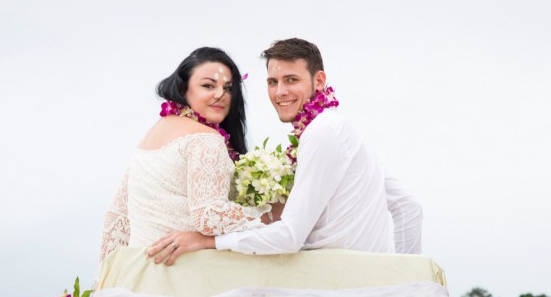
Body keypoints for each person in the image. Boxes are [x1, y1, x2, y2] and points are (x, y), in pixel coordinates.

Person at [147, 37, 422, 264]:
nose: (280, 92)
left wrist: (207, 241)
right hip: (352, 280)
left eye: (291, 80)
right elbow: (409, 207)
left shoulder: (323, 134)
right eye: (272, 82)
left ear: (319, 81)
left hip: (335, 286)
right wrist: (403, 280)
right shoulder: (337, 129)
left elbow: (290, 237)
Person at [99, 46, 271, 264]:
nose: (220, 95)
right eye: (208, 85)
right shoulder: (205, 139)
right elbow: (209, 217)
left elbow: (116, 217)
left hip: (138, 274)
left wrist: (109, 279)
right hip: (182, 276)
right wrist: (271, 215)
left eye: (228, 88)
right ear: (183, 88)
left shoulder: (152, 135)